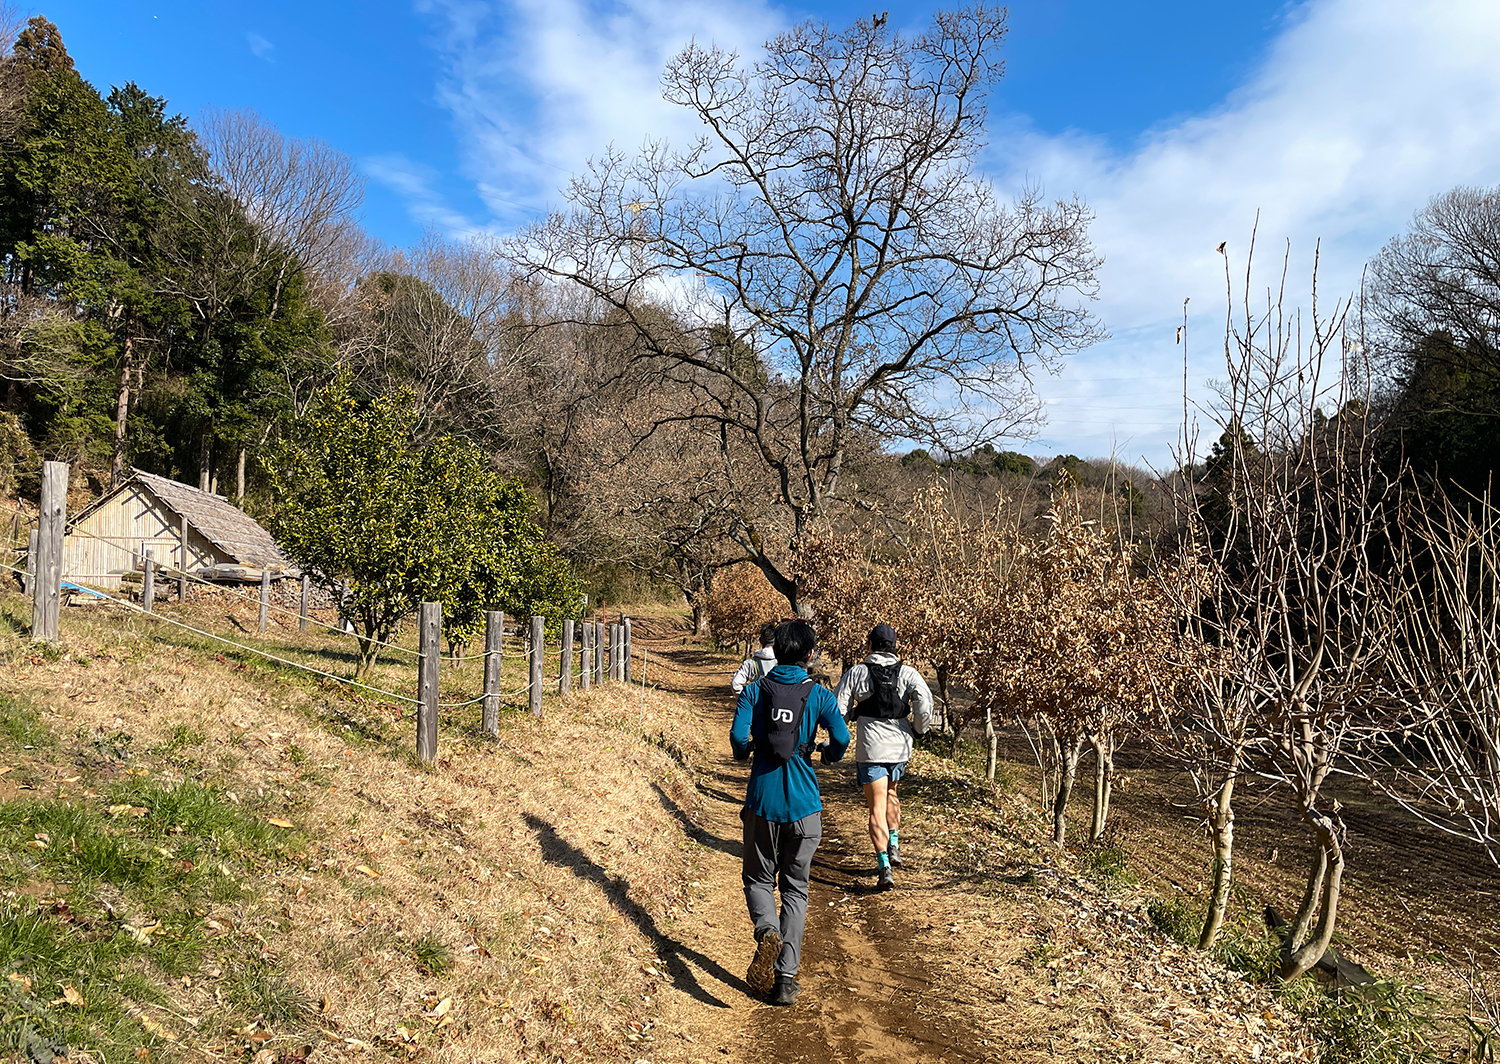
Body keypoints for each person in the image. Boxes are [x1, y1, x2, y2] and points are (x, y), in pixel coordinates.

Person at [730, 618, 849, 1006]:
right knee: (795, 889)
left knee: (759, 880)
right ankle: (785, 979)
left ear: (774, 651)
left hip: (763, 801)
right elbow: (842, 738)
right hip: (804, 805)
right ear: (811, 655)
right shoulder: (819, 694)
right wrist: (827, 754)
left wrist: (745, 750)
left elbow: (737, 736)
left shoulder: (754, 690)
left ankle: (766, 929)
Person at [834, 622, 933, 891]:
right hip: (900, 745)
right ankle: (895, 845)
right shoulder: (908, 673)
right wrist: (918, 730)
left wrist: (842, 728)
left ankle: (883, 865)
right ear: (895, 646)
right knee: (892, 794)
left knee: (876, 804)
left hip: (872, 746)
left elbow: (838, 706)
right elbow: (925, 703)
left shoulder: (858, 672)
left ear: (869, 645)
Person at [731, 621, 778, 694]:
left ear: (760, 641)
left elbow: (735, 684)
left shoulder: (750, 663)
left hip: (758, 704)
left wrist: (748, 700)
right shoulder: (785, 661)